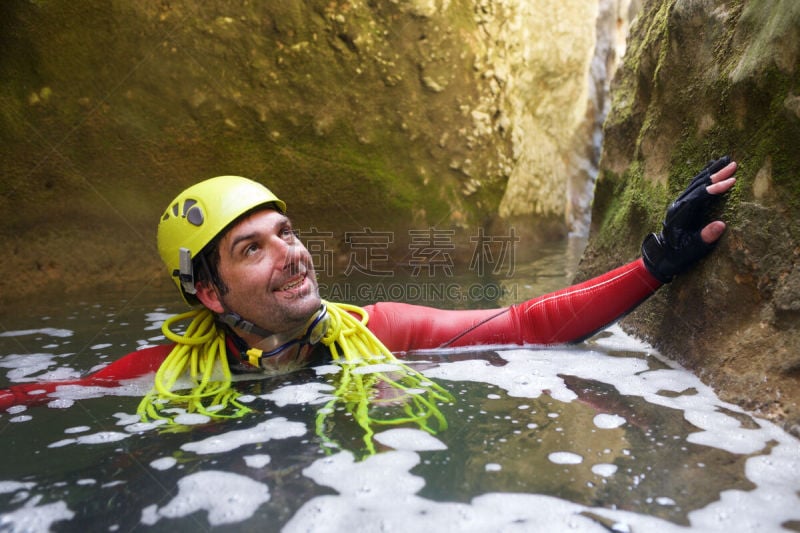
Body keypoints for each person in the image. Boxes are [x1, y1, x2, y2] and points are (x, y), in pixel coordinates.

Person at [0, 157, 738, 417]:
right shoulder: (164, 374)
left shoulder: (378, 328)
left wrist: (655, 263)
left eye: (286, 232)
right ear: (212, 295)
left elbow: (526, 324)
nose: (290, 254)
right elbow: (51, 393)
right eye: (250, 248)